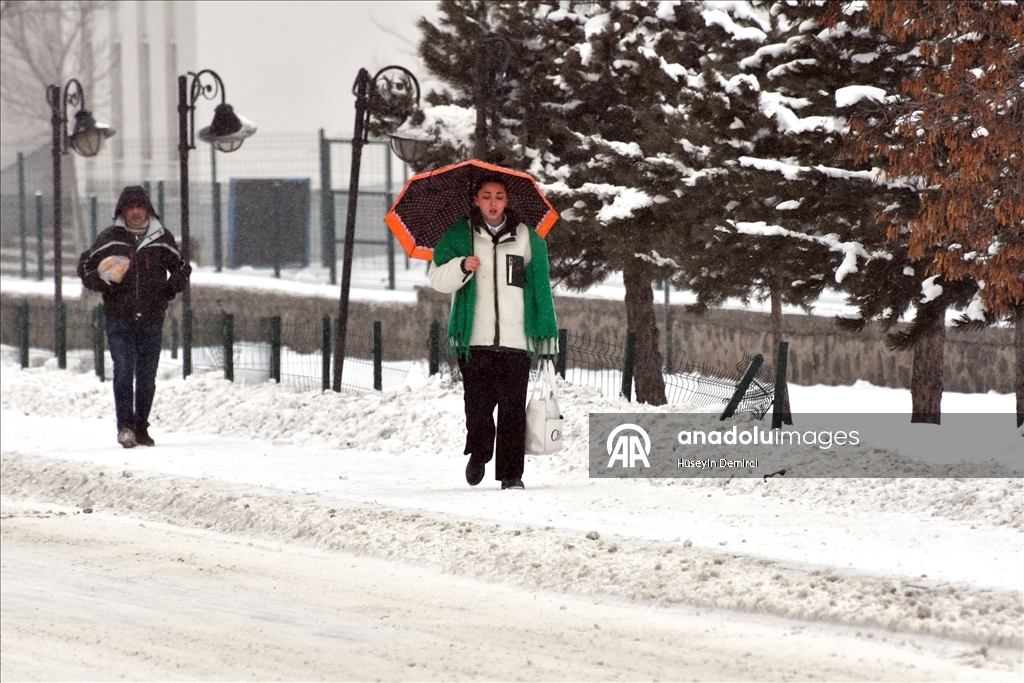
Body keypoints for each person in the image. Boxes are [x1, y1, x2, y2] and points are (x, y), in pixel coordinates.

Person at [429, 175, 559, 490]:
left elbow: (540, 287)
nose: (493, 203)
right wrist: (461, 266)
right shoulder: (461, 235)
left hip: (517, 340)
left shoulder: (528, 238)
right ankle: (479, 452)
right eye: (486, 196)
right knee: (478, 406)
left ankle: (511, 475)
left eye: (499, 196)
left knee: (513, 410)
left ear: (507, 201)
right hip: (474, 341)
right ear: (476, 199)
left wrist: (543, 332)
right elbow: (436, 277)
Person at [77, 185, 190, 448]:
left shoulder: (161, 239)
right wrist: (102, 283)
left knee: (147, 376)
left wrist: (169, 289)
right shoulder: (111, 238)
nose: (136, 212)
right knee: (124, 371)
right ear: (122, 211)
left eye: (140, 207)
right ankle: (125, 427)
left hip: (152, 317)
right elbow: (85, 265)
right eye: (130, 208)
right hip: (119, 317)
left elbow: (183, 267)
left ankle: (142, 427)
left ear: (148, 210)